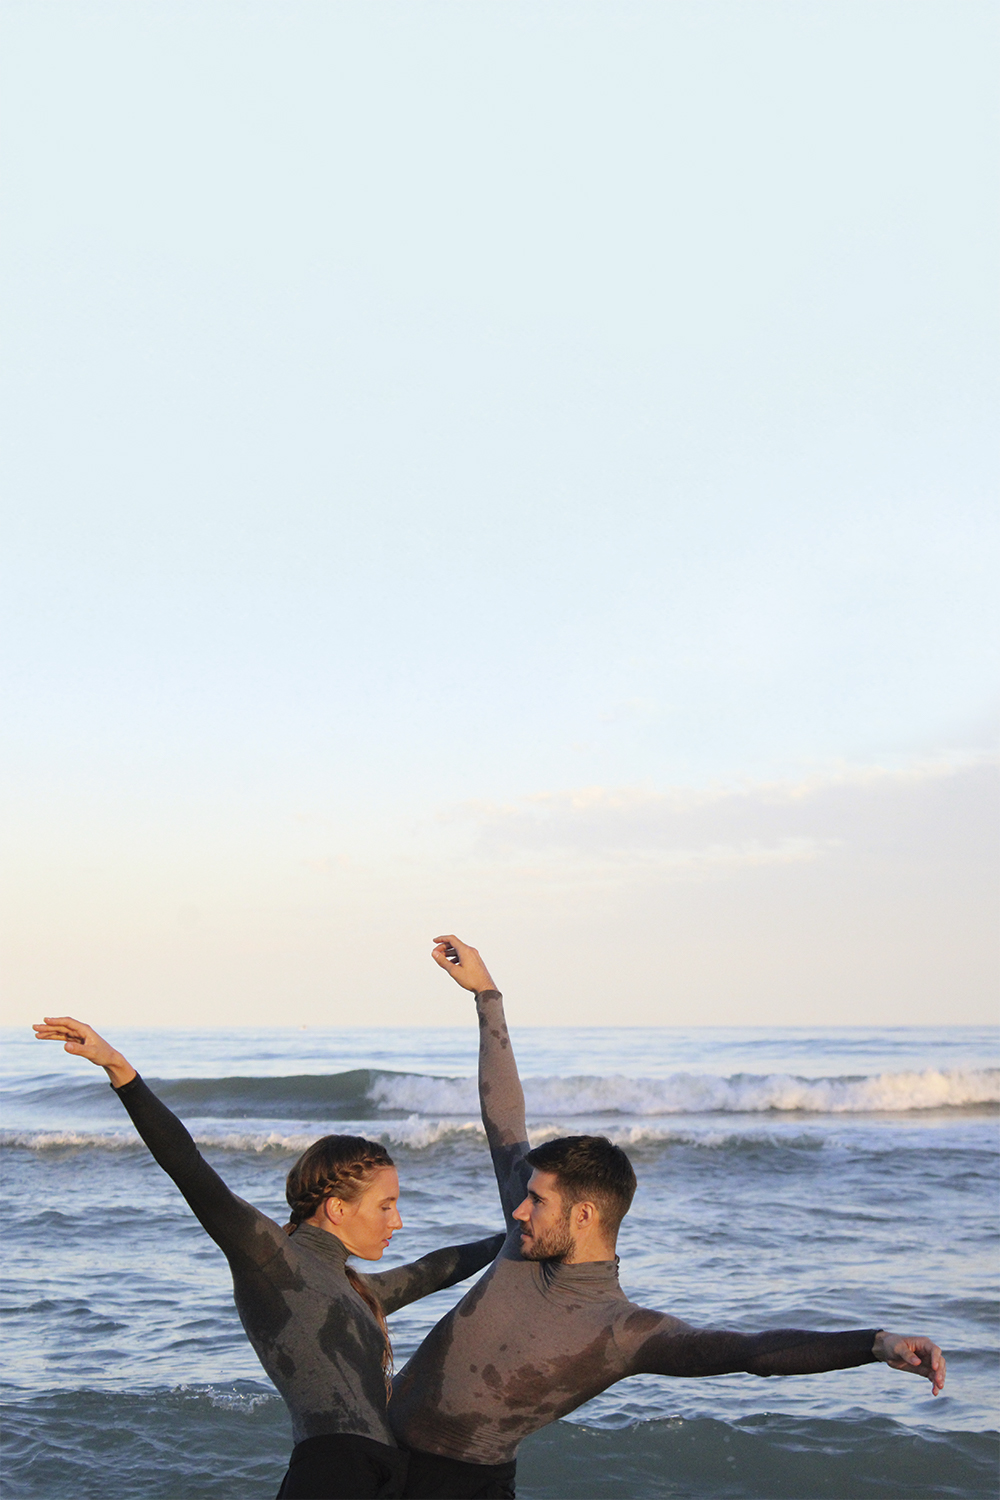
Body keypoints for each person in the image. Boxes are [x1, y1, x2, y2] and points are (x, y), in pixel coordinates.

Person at [390, 938, 947, 1500]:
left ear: (583, 1215)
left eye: (536, 1200)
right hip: (375, 1452)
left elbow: (754, 1352)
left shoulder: (622, 1331)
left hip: (460, 1486)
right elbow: (505, 1118)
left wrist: (873, 1344)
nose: (517, 1209)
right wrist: (487, 995)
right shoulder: (526, 1238)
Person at [32, 1016, 503, 1500]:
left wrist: (513, 1237)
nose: (397, 1221)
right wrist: (118, 1068)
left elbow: (431, 1271)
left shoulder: (358, 1289)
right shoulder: (271, 1259)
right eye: (386, 1206)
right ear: (337, 1208)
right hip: (334, 1474)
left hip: (384, 1474)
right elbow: (187, 1165)